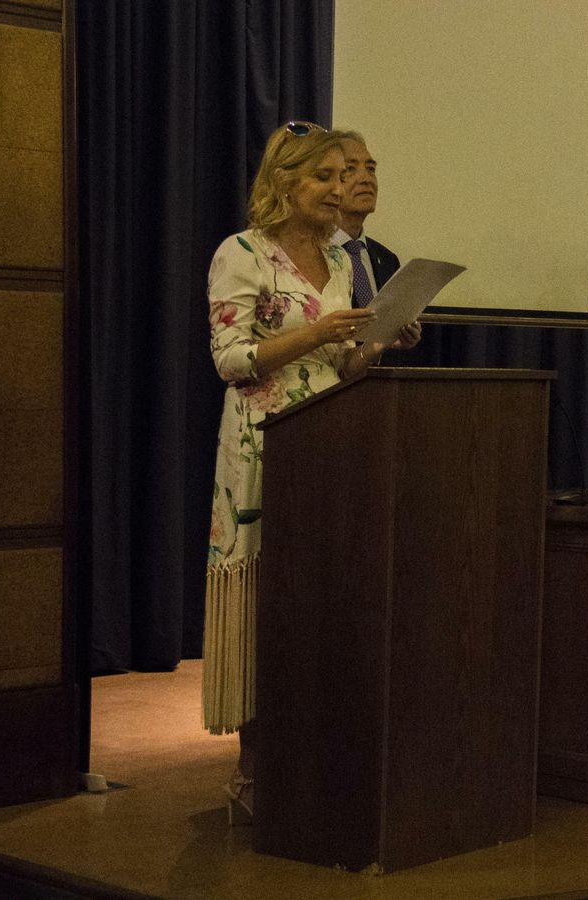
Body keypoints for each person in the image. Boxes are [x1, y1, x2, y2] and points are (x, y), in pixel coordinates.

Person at [202, 121, 419, 822]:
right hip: (266, 451)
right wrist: (314, 333)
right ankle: (255, 771)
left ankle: (319, 762)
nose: (338, 188)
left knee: (324, 603)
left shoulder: (345, 259)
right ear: (284, 182)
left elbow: (347, 364)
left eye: (343, 175)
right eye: (324, 177)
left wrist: (378, 340)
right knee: (268, 608)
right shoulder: (242, 254)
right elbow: (231, 360)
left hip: (334, 449)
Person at [329, 130, 401, 308]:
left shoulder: (387, 260)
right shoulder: (311, 254)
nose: (366, 179)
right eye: (350, 169)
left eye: (371, 169)